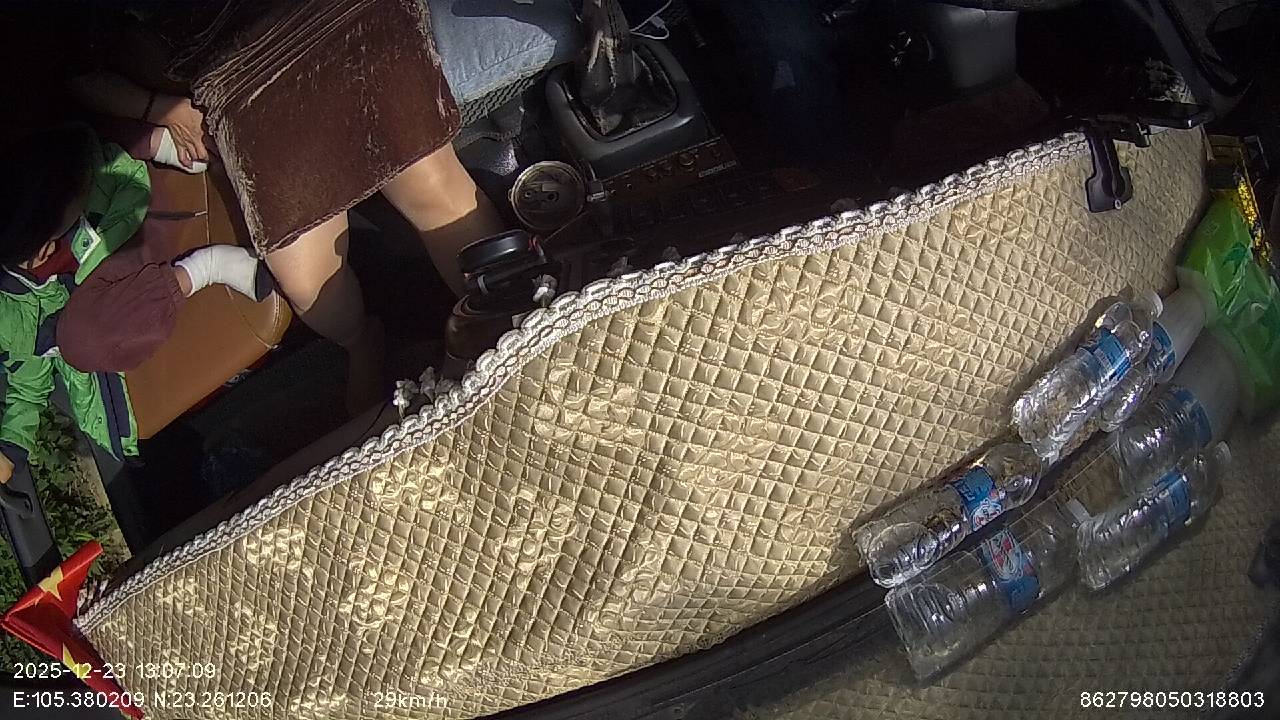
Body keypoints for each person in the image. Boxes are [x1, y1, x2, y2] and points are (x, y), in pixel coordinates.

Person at [71, 0, 507, 413]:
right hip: (237, 69)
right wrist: (162, 110)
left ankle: (514, 324)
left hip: (339, 16)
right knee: (308, 286)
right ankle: (363, 340)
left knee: (434, 190)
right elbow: (74, 72)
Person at [0, 123, 269, 485]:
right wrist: (11, 448)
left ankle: (165, 146)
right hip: (111, 305)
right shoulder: (14, 314)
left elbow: (92, 158)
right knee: (78, 340)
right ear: (43, 250)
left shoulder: (57, 176)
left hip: (129, 226)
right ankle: (205, 268)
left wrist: (158, 145)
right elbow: (27, 384)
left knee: (95, 143)